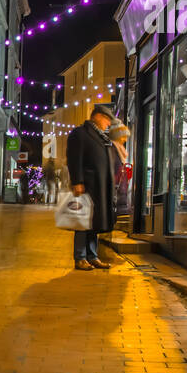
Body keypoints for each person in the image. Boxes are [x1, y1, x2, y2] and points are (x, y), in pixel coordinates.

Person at [66, 103, 117, 271]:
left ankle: (92, 256)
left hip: (99, 188)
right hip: (86, 186)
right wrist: (77, 181)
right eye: (107, 120)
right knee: (82, 222)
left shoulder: (101, 137)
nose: (108, 124)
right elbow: (74, 159)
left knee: (94, 223)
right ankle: (80, 257)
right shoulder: (80, 134)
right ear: (98, 116)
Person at [109, 120, 132, 217]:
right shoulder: (113, 149)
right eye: (123, 136)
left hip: (118, 190)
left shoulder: (118, 149)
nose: (125, 139)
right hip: (115, 190)